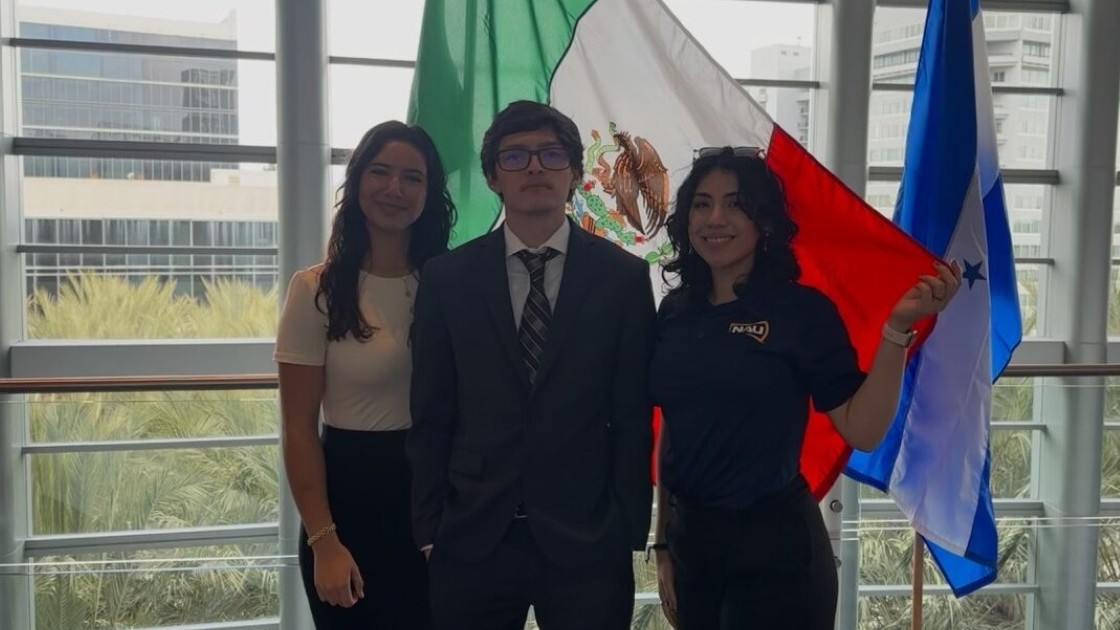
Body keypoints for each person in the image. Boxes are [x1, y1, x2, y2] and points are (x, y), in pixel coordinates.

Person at [649, 147, 962, 629]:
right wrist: (664, 541)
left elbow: (862, 430)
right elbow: (674, 428)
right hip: (693, 545)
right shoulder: (675, 313)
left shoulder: (801, 312)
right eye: (702, 203)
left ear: (764, 221)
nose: (716, 218)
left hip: (777, 550)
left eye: (736, 204)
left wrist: (897, 329)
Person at [407, 100, 657, 630]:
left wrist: (627, 529)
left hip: (588, 541)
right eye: (515, 157)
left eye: (551, 154)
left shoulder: (624, 279)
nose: (535, 168)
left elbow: (633, 418)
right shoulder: (446, 279)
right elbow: (432, 412)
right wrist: (430, 529)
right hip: (472, 536)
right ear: (494, 176)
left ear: (574, 173)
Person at [273, 120, 455, 629]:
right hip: (350, 502)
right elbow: (297, 427)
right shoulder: (316, 290)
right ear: (355, 184)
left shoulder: (451, 285)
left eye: (412, 177)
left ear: (430, 192)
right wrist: (324, 541)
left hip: (438, 502)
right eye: (381, 172)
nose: (395, 189)